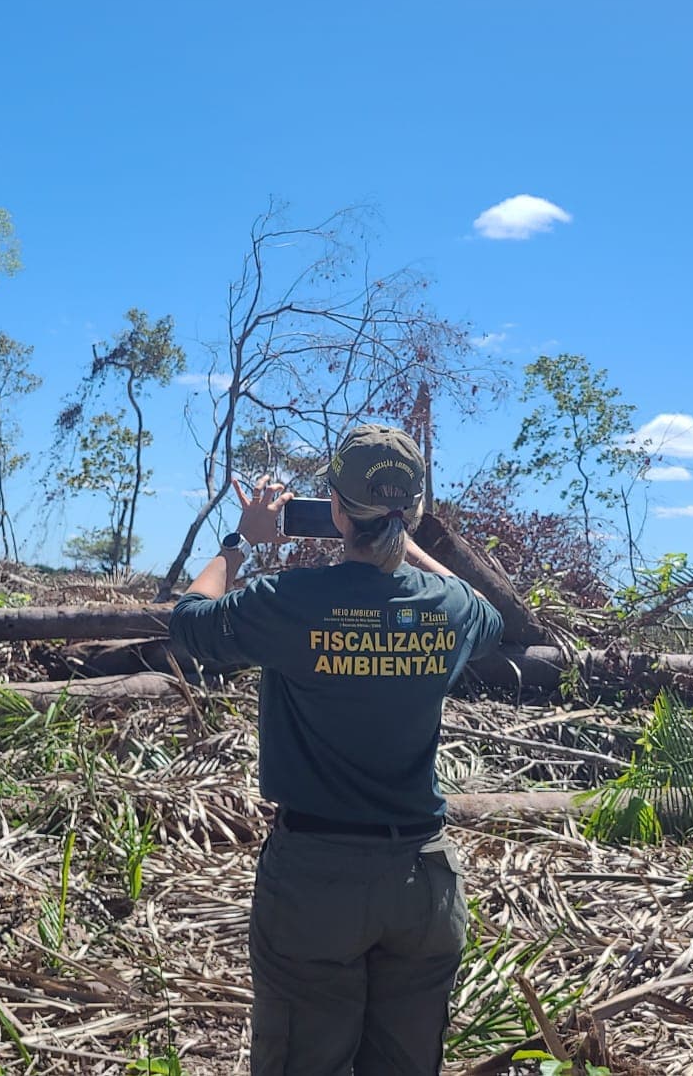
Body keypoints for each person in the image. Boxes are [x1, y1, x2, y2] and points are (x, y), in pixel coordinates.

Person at [168, 424, 504, 1076]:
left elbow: (188, 623)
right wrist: (405, 544)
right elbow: (490, 612)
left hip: (316, 881)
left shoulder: (288, 601)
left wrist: (243, 543)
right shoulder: (448, 607)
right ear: (409, 509)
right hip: (422, 884)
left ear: (336, 508)